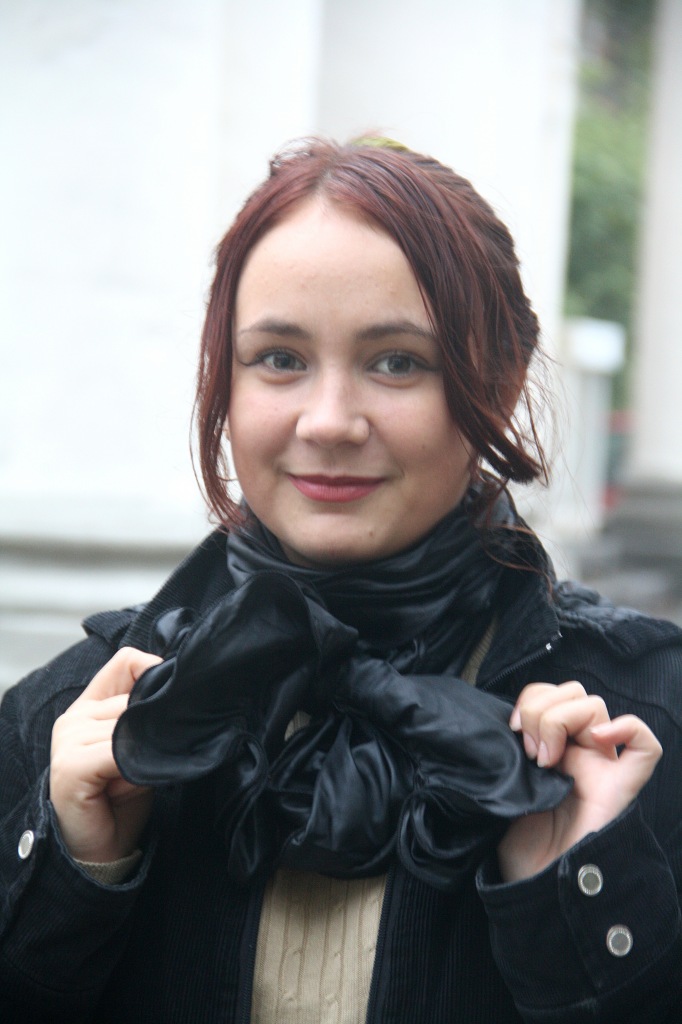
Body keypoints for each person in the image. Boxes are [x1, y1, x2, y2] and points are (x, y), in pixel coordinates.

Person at [1, 137, 681, 1024]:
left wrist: (578, 900)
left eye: (396, 361)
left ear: (502, 377)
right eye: (279, 359)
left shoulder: (644, 721)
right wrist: (73, 871)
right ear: (225, 379)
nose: (328, 422)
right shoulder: (70, 722)